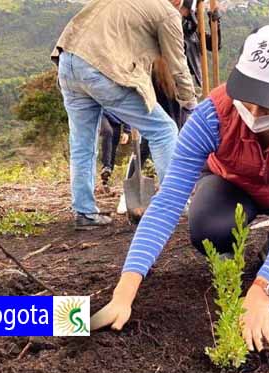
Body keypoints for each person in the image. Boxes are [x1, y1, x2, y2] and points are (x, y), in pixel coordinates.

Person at [91, 25, 269, 352]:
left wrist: (260, 293)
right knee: (208, 229)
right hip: (231, 185)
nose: (254, 113)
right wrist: (123, 294)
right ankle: (230, 254)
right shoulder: (209, 116)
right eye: (248, 97)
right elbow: (167, 203)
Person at [51, 0, 197, 230]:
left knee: (82, 143)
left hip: (67, 61)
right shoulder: (168, 13)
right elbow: (177, 64)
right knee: (163, 130)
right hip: (100, 68)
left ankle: (84, 213)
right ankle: (176, 204)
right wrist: (190, 102)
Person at [117, 1, 223, 214]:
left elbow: (212, 45)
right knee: (153, 134)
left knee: (186, 136)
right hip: (162, 81)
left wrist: (214, 20)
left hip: (188, 83)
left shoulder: (194, 19)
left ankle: (186, 189)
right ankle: (132, 186)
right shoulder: (162, 15)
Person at [99, 111, 131, 187]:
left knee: (113, 147)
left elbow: (126, 108)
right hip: (100, 113)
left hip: (116, 119)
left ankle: (106, 180)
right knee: (108, 132)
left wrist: (126, 131)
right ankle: (106, 166)